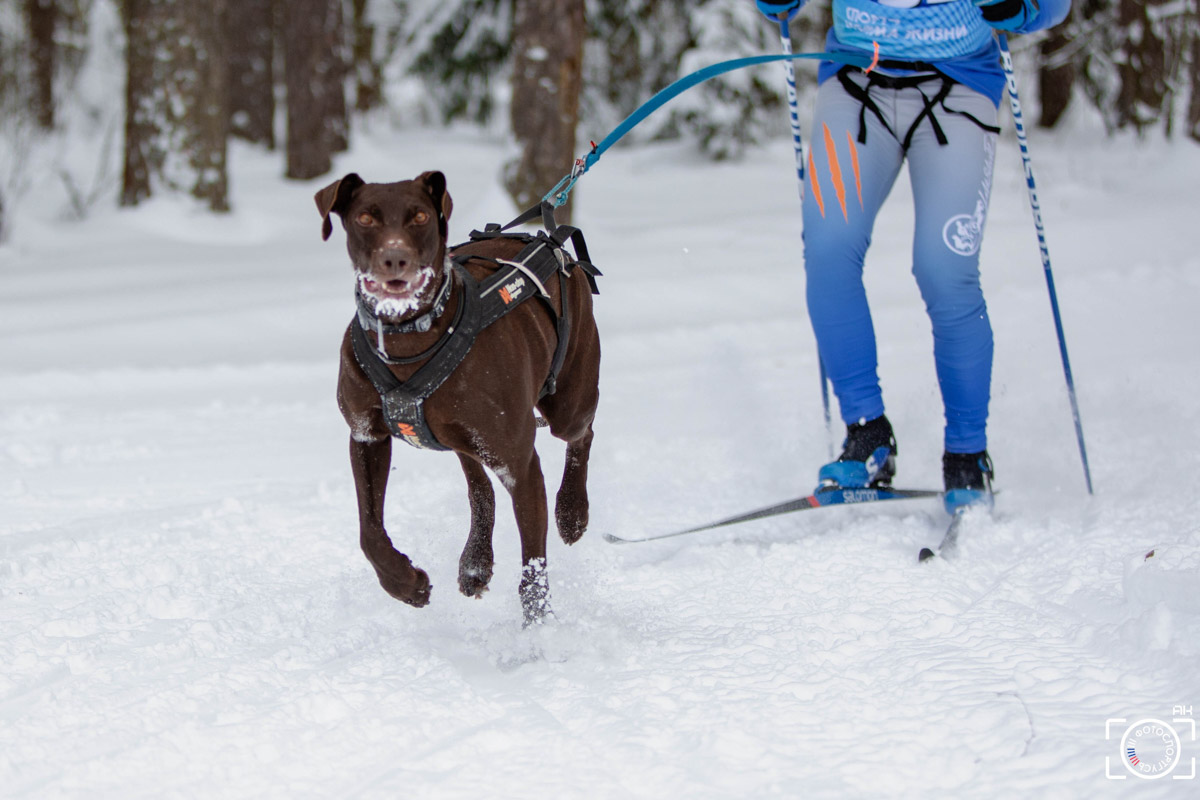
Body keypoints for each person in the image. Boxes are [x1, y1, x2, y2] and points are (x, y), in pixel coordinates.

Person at [756, 0, 1071, 514]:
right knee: (830, 251)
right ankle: (867, 434)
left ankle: (967, 454)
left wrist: (1024, 8)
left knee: (944, 269)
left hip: (959, 87)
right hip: (858, 85)